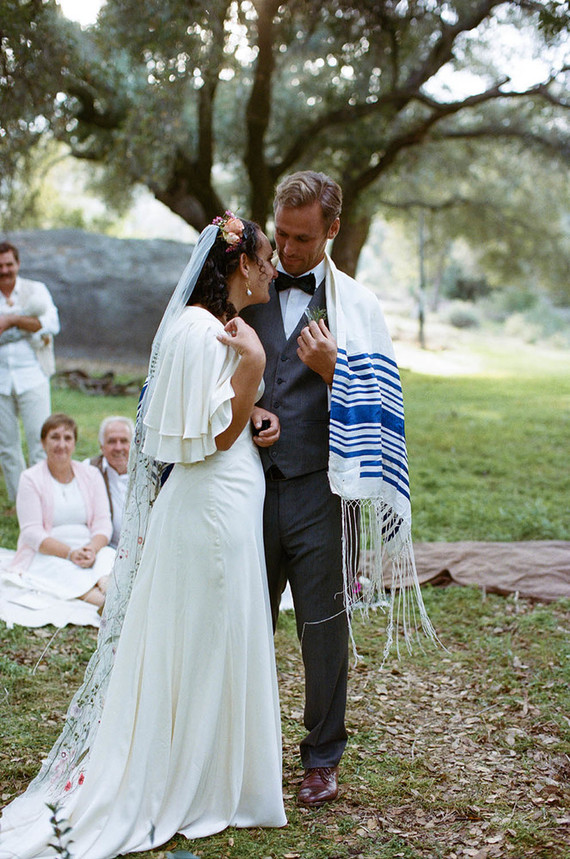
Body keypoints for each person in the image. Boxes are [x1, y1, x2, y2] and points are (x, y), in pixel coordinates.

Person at [0, 214, 286, 859]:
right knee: (205, 638)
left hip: (228, 501)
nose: (272, 269)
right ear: (243, 264)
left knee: (221, 635)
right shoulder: (199, 330)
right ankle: (198, 777)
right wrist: (256, 370)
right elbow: (207, 440)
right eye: (266, 258)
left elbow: (218, 420)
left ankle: (221, 771)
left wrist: (252, 400)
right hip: (211, 507)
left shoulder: (216, 329)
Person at [242, 171, 436, 808]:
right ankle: (241, 746)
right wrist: (247, 416)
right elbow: (212, 374)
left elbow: (382, 406)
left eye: (303, 238)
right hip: (244, 486)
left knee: (323, 629)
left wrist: (334, 371)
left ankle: (321, 757)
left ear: (331, 230)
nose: (289, 250)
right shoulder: (247, 286)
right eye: (282, 235)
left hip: (322, 493)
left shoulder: (361, 308)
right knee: (242, 622)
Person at [0, 413, 114, 629]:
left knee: (109, 555)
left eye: (67, 438)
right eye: (54, 437)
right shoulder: (30, 478)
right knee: (59, 570)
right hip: (47, 551)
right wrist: (70, 554)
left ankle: (108, 588)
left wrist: (91, 548)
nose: (61, 444)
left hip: (88, 546)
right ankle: (105, 604)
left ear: (74, 443)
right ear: (43, 442)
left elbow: (102, 523)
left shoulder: (91, 474)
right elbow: (31, 532)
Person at [0, 241, 60, 508]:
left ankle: (43, 500)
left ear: (18, 264)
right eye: (0, 266)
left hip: (33, 375)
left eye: (9, 264)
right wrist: (29, 325)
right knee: (7, 446)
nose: (4, 270)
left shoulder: (36, 290)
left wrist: (11, 320)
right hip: (1, 380)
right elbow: (36, 324)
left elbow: (50, 323)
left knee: (39, 440)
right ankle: (18, 501)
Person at [88, 415, 134, 548]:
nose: (118, 447)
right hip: (106, 550)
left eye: (124, 441)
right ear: (102, 446)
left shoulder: (147, 472)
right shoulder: (89, 470)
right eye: (112, 441)